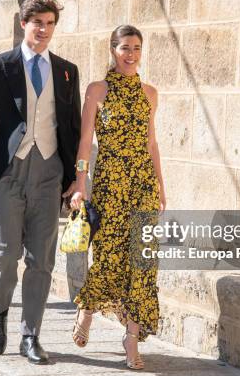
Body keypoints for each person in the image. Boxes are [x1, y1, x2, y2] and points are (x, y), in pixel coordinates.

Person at [0, 0, 81, 364]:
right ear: (23, 24)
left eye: (49, 24)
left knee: (41, 259)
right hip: (8, 173)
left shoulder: (66, 70)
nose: (43, 30)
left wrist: (77, 176)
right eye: (37, 23)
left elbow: (72, 126)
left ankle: (31, 334)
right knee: (6, 253)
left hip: (49, 174)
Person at [69, 25, 166, 370]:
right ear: (113, 50)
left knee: (143, 263)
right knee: (109, 257)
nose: (131, 54)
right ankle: (88, 308)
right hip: (110, 184)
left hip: (143, 186)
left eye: (137, 48)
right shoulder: (97, 90)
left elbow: (151, 143)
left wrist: (161, 186)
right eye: (125, 47)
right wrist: (81, 182)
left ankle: (131, 338)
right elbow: (84, 143)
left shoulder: (150, 93)